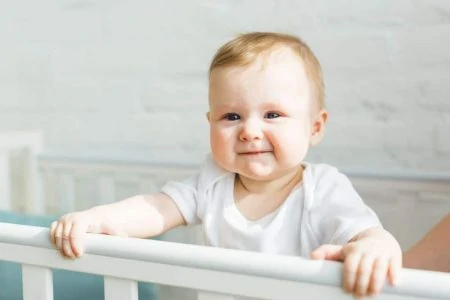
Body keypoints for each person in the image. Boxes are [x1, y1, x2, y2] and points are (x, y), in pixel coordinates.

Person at [49, 32, 402, 297]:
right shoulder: (212, 182)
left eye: (272, 114)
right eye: (231, 116)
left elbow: (362, 230)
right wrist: (99, 219)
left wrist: (374, 245)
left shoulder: (322, 188)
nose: (249, 131)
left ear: (315, 127)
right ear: (210, 122)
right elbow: (157, 207)